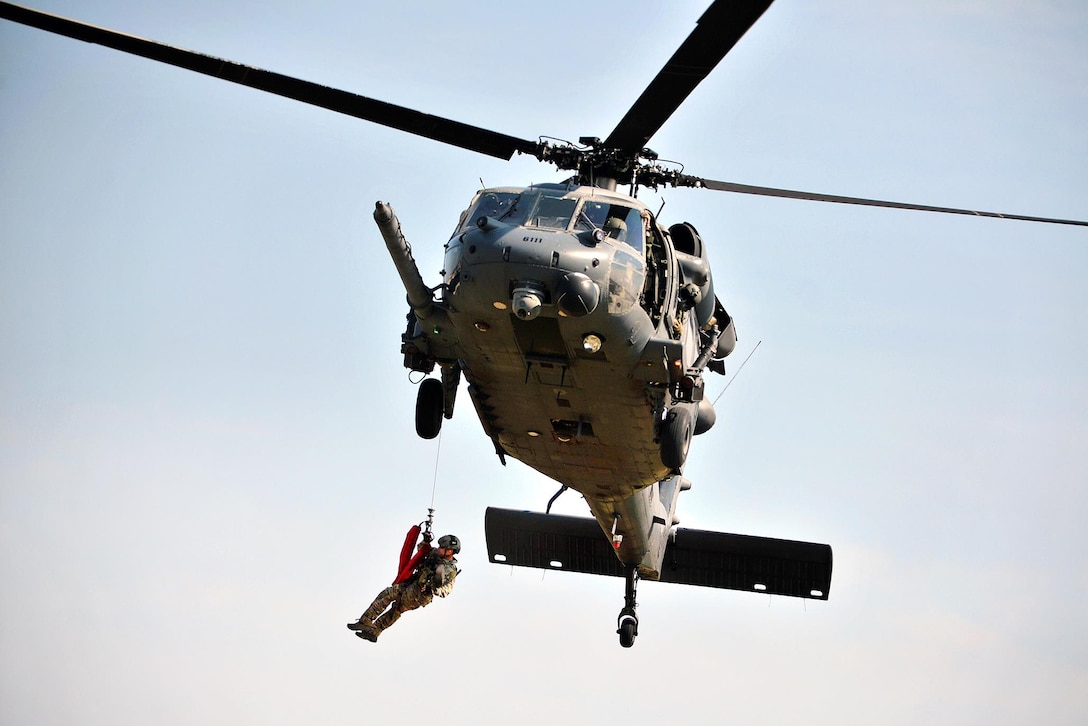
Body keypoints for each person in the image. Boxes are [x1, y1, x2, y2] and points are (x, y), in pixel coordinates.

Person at [347, 533, 461, 642]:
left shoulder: (450, 570)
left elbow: (447, 590)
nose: (439, 548)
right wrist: (425, 541)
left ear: (450, 551)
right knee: (397, 608)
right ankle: (374, 632)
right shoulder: (436, 554)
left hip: (420, 594)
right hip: (414, 586)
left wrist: (432, 589)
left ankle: (366, 621)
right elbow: (422, 552)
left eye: (442, 547)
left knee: (389, 593)